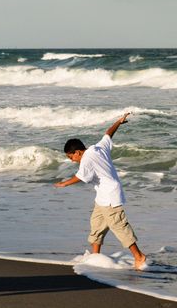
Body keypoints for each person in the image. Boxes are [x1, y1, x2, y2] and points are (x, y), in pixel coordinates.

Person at [55, 113, 146, 270]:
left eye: (71, 157)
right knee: (96, 226)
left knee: (119, 227)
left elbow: (80, 177)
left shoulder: (87, 158)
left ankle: (139, 257)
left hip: (110, 196)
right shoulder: (98, 147)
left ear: (77, 152)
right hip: (102, 197)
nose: (71, 160)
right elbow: (108, 133)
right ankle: (95, 257)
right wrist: (118, 121)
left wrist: (64, 184)